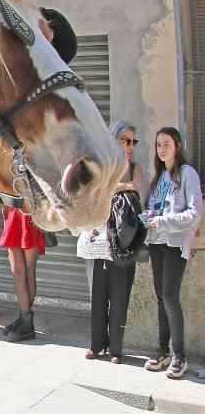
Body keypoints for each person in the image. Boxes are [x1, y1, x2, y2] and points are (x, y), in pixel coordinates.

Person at [76, 121, 145, 363]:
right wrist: (116, 188)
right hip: (97, 239)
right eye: (125, 140)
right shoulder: (100, 165)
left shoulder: (134, 167)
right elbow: (90, 192)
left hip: (123, 239)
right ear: (113, 140)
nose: (130, 146)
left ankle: (116, 348)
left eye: (134, 141)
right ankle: (96, 345)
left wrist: (111, 188)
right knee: (97, 293)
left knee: (119, 294)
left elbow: (135, 188)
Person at [142, 127, 202, 379]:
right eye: (158, 145)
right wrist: (147, 218)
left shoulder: (187, 173)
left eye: (166, 144)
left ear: (177, 145)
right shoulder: (159, 176)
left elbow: (194, 212)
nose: (162, 149)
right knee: (160, 297)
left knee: (169, 297)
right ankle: (162, 351)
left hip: (175, 243)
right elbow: (154, 208)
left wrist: (164, 222)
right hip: (156, 242)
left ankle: (180, 356)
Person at [0, 207, 45, 342]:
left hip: (31, 213)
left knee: (29, 271)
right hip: (12, 213)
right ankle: (23, 318)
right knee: (18, 272)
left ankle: (26, 323)